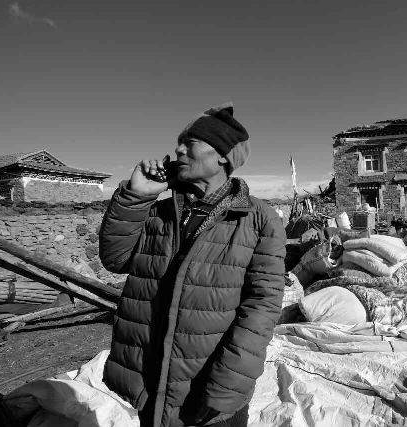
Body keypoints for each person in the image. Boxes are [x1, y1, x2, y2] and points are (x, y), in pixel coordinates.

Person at [99, 102, 286, 426]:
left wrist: (228, 384)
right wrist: (136, 196)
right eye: (178, 143)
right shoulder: (158, 213)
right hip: (150, 383)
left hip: (209, 390)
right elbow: (115, 260)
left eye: (191, 143)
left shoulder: (257, 219)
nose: (179, 150)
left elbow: (263, 305)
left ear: (223, 156)